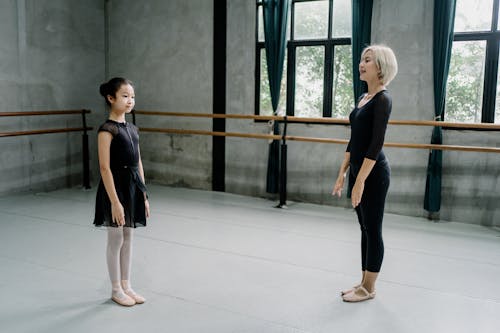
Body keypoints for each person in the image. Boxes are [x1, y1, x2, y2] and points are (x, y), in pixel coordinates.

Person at [332, 45, 398, 302]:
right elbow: (355, 140)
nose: (361, 63)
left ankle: (369, 288)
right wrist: (342, 173)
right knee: (364, 228)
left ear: (380, 67)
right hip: (359, 170)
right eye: (361, 59)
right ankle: (363, 282)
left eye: (367, 60)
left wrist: (360, 181)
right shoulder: (363, 98)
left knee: (373, 228)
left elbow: (375, 143)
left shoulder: (383, 99)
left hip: (374, 173)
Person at [94, 77, 150, 306]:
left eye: (132, 96)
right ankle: (116, 288)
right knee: (115, 237)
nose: (130, 101)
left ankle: (127, 284)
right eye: (125, 96)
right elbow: (104, 167)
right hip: (114, 188)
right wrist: (115, 202)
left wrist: (143, 194)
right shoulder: (106, 130)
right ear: (111, 98)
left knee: (129, 236)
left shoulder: (133, 128)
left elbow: (138, 162)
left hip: (132, 186)